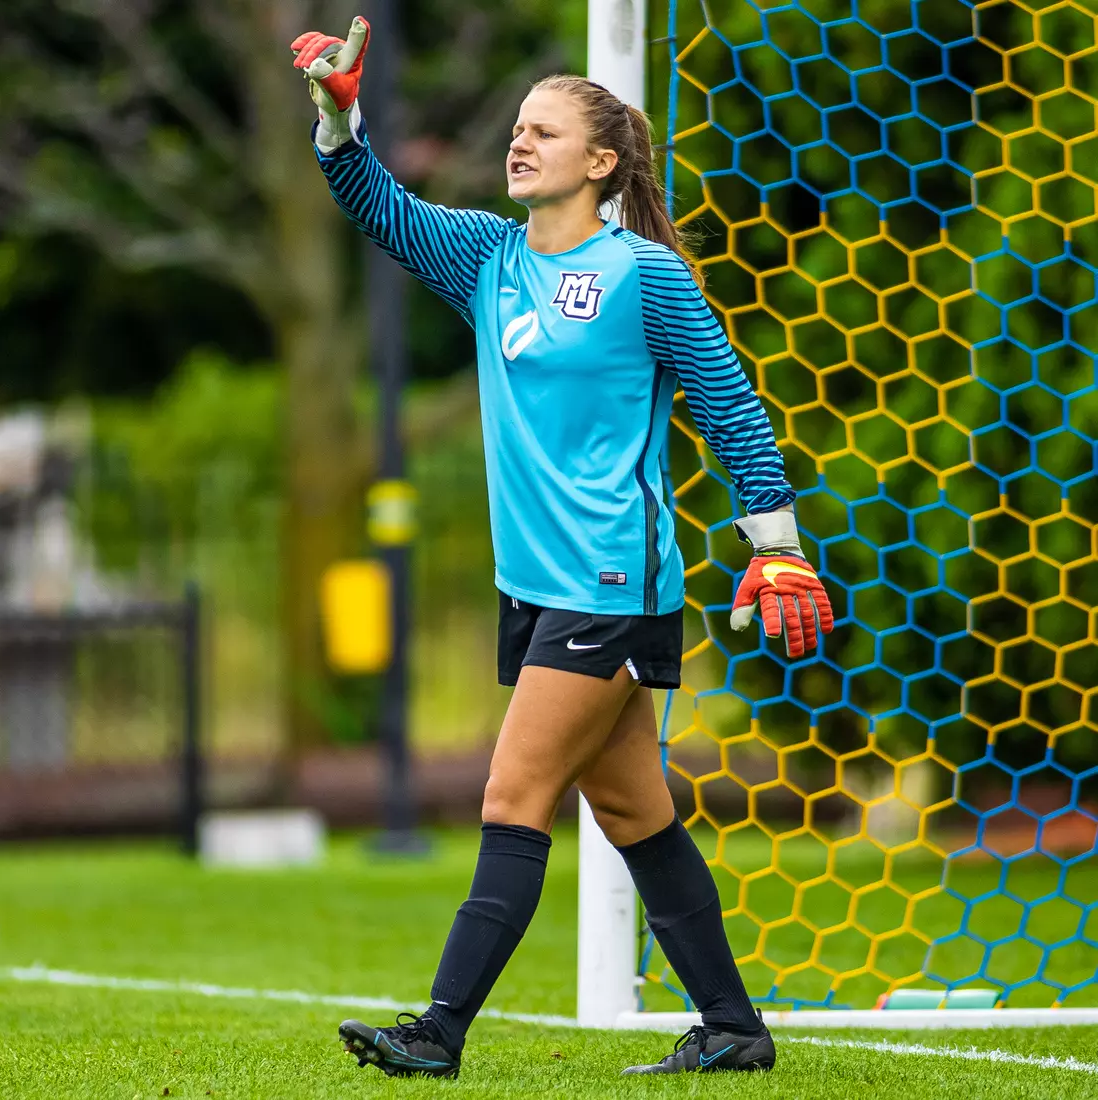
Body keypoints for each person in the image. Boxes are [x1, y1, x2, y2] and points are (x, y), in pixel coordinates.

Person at [291, 17, 833, 1081]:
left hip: (611, 581)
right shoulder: (488, 257)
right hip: (536, 588)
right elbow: (375, 204)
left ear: (600, 161)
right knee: (633, 807)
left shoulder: (644, 275)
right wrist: (338, 116)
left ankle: (436, 1031)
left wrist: (774, 544)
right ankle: (732, 1024)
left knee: (511, 794)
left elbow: (729, 405)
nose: (519, 143)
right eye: (517, 129)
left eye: (543, 131)